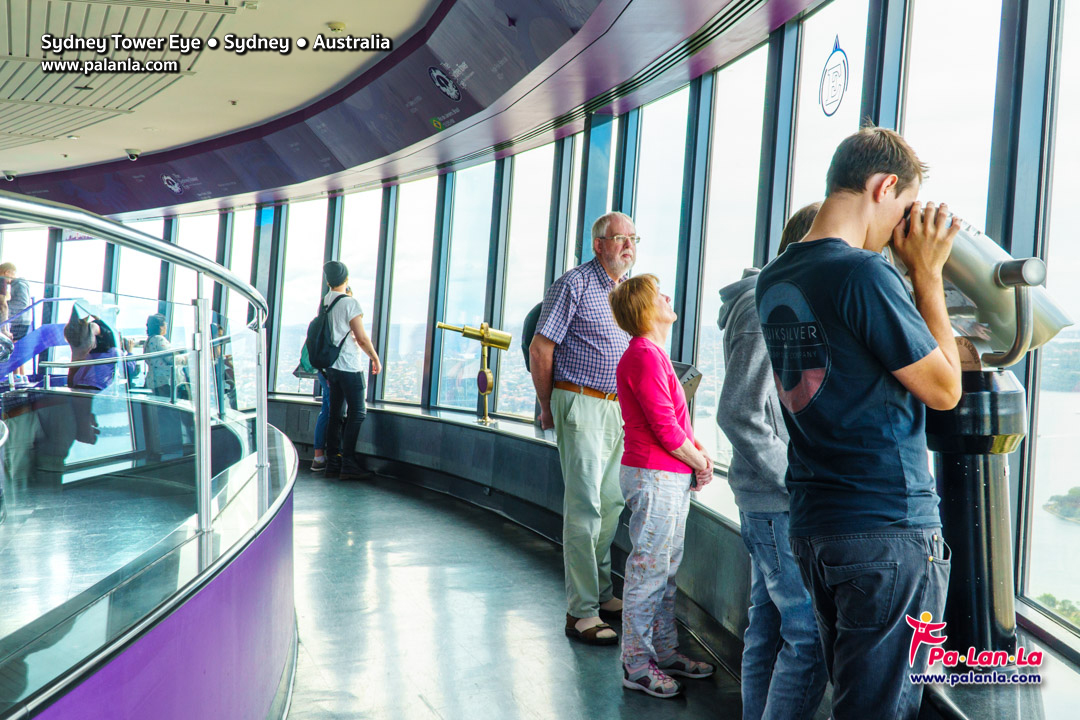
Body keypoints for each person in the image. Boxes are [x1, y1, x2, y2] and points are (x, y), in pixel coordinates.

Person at [755, 126, 961, 719]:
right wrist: (925, 275)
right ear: (884, 185)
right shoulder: (864, 276)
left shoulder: (777, 277)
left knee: (855, 701)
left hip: (819, 527)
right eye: (900, 208)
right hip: (886, 528)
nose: (900, 230)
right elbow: (945, 390)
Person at [718, 203, 827, 720]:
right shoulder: (769, 304)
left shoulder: (774, 300)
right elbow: (739, 411)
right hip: (777, 503)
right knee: (808, 636)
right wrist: (797, 478)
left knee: (767, 626)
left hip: (769, 501)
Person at [529, 211, 635, 645]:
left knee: (610, 505)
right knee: (585, 509)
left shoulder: (626, 291)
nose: (628, 246)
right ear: (598, 244)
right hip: (580, 403)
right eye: (619, 238)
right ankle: (581, 612)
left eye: (634, 238)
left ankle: (603, 592)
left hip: (616, 409)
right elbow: (540, 347)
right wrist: (546, 404)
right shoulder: (573, 284)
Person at [609, 273, 716, 699]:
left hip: (667, 476)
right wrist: (703, 465)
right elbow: (666, 431)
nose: (668, 297)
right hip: (654, 476)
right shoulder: (643, 356)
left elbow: (677, 425)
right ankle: (636, 664)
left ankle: (663, 650)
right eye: (659, 294)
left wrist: (696, 456)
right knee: (648, 571)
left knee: (664, 571)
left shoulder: (651, 355)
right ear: (643, 308)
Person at [321, 261, 380, 480]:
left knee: (335, 414)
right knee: (358, 412)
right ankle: (348, 463)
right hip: (349, 366)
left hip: (332, 367)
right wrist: (375, 358)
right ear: (346, 279)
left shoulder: (325, 302)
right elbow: (362, 338)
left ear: (328, 281)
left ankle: (332, 463)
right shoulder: (350, 303)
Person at [144, 313, 177, 398]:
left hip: (152, 381)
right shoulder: (159, 339)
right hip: (163, 381)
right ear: (161, 326)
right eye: (165, 324)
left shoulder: (148, 341)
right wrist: (188, 358)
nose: (166, 326)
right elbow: (171, 358)